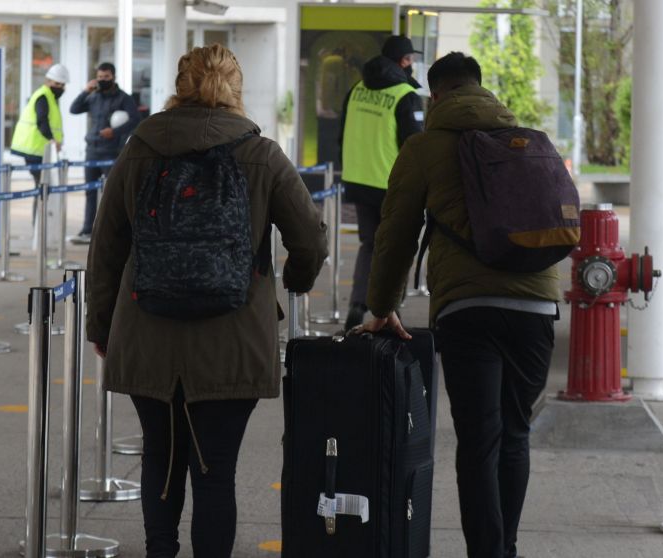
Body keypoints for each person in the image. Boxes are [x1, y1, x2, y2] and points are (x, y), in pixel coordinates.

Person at [86, 44, 328, 558]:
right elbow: (310, 238)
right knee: (216, 471)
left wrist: (101, 326)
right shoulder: (260, 153)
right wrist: (295, 279)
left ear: (181, 85)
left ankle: (159, 551)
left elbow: (106, 245)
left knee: (161, 459)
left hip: (146, 330)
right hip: (233, 336)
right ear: (235, 87)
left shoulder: (140, 147)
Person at [358, 52, 560, 558]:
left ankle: (487, 553)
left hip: (468, 310)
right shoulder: (527, 140)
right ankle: (505, 549)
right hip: (536, 305)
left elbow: (395, 236)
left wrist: (382, 304)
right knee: (514, 434)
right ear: (482, 89)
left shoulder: (424, 148)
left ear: (436, 96)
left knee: (478, 442)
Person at [339, 35, 425, 330]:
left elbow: (342, 134)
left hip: (359, 180)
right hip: (391, 184)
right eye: (410, 59)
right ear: (403, 61)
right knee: (396, 248)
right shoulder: (405, 94)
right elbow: (415, 145)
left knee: (368, 245)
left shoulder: (356, 89)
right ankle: (390, 310)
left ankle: (357, 305)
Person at [69, 61, 141, 244]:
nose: (102, 80)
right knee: (90, 192)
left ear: (113, 77)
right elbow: (74, 109)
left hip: (111, 152)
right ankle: (87, 230)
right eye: (100, 77)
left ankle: (112, 231)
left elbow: (135, 120)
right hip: (92, 151)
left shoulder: (123, 98)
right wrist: (86, 90)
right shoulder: (93, 96)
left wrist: (114, 132)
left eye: (106, 77)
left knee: (112, 194)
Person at [10, 63, 70, 187]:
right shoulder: (43, 96)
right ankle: (41, 207)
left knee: (43, 187)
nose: (60, 87)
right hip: (35, 150)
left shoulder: (50, 97)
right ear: (48, 81)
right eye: (57, 84)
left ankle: (42, 207)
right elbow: (42, 121)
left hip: (41, 150)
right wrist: (53, 140)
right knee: (43, 187)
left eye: (62, 85)